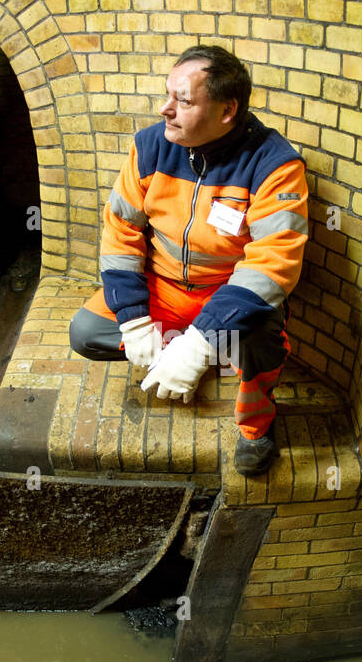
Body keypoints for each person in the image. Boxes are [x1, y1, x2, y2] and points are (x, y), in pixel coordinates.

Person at [68, 45, 308, 477]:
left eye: (183, 101)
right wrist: (135, 318)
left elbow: (274, 263)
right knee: (87, 332)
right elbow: (120, 231)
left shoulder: (276, 165)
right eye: (167, 95)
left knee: (263, 339)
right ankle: (190, 353)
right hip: (163, 288)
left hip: (227, 294)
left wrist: (201, 341)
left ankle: (257, 426)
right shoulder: (149, 147)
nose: (166, 110)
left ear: (227, 110)